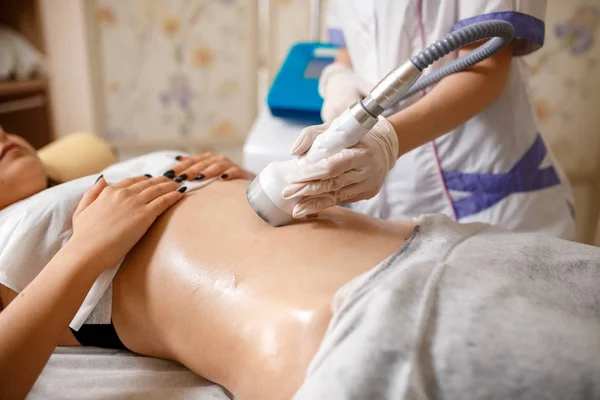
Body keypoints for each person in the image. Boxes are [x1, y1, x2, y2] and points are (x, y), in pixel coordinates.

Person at [1, 127, 599, 400]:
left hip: (453, 246)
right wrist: (84, 250)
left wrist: (241, 182)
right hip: (365, 325)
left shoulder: (96, 174)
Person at [283, 0, 576, 240]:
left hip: (486, 193)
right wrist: (340, 80)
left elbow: (485, 66)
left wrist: (388, 140)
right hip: (388, 198)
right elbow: (349, 42)